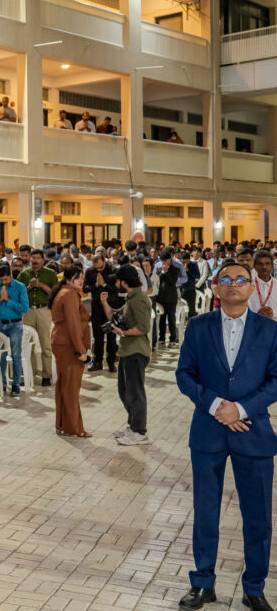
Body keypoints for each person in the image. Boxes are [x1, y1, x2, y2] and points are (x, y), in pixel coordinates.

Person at [175, 262, 277, 611]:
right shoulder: (198, 327)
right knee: (205, 510)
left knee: (258, 515)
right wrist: (218, 406)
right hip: (208, 431)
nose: (233, 284)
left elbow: (276, 380)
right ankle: (203, 583)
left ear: (251, 287)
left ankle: (254, 587)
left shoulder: (270, 330)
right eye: (226, 279)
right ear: (216, 288)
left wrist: (241, 409)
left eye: (240, 279)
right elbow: (184, 374)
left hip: (254, 432)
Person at [100, 265, 153, 446]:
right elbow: (116, 316)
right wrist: (105, 303)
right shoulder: (131, 299)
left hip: (136, 351)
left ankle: (140, 431)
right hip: (127, 351)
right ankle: (132, 426)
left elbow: (144, 327)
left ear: (124, 281)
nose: (115, 284)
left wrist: (122, 333)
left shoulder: (139, 300)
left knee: (135, 393)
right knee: (125, 392)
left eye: (117, 280)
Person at [50, 267, 91, 437]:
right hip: (68, 344)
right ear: (68, 280)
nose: (81, 281)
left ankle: (63, 424)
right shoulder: (69, 295)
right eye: (77, 278)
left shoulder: (64, 292)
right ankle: (73, 428)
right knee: (70, 387)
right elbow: (73, 325)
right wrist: (81, 350)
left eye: (82, 277)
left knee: (64, 385)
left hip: (62, 342)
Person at [0, 266, 30, 397]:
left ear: (11, 275)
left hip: (15, 324)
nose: (3, 283)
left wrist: (8, 300)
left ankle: (16, 384)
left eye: (6, 279)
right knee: (0, 356)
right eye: (1, 280)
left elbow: (24, 308)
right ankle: (2, 384)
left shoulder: (20, 287)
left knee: (16, 355)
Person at [18, 250, 57, 386]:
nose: (34, 260)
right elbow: (18, 294)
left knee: (45, 344)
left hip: (44, 310)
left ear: (43, 259)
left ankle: (46, 375)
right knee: (27, 343)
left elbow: (54, 293)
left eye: (37, 258)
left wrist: (41, 285)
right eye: (32, 258)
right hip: (28, 311)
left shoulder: (50, 274)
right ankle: (28, 374)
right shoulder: (24, 274)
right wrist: (29, 286)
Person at [83, 254, 121, 373]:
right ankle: (98, 362)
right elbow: (85, 288)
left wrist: (104, 284)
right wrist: (96, 285)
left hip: (110, 305)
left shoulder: (113, 270)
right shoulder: (89, 271)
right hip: (96, 306)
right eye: (96, 268)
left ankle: (111, 362)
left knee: (111, 334)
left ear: (104, 261)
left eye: (100, 268)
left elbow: (117, 289)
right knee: (98, 335)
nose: (98, 270)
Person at [156, 253, 181, 345]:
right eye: (163, 261)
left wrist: (167, 272)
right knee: (162, 320)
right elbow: (157, 281)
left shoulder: (176, 270)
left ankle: (172, 339)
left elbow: (173, 282)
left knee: (171, 319)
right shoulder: (159, 270)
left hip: (171, 298)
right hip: (161, 298)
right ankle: (161, 337)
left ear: (170, 260)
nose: (164, 263)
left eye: (166, 260)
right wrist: (162, 273)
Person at [249, 250, 276, 320]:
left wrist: (273, 312)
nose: (264, 267)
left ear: (272, 266)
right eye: (260, 264)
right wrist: (257, 313)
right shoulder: (248, 285)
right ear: (254, 266)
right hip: (254, 324)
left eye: (267, 263)